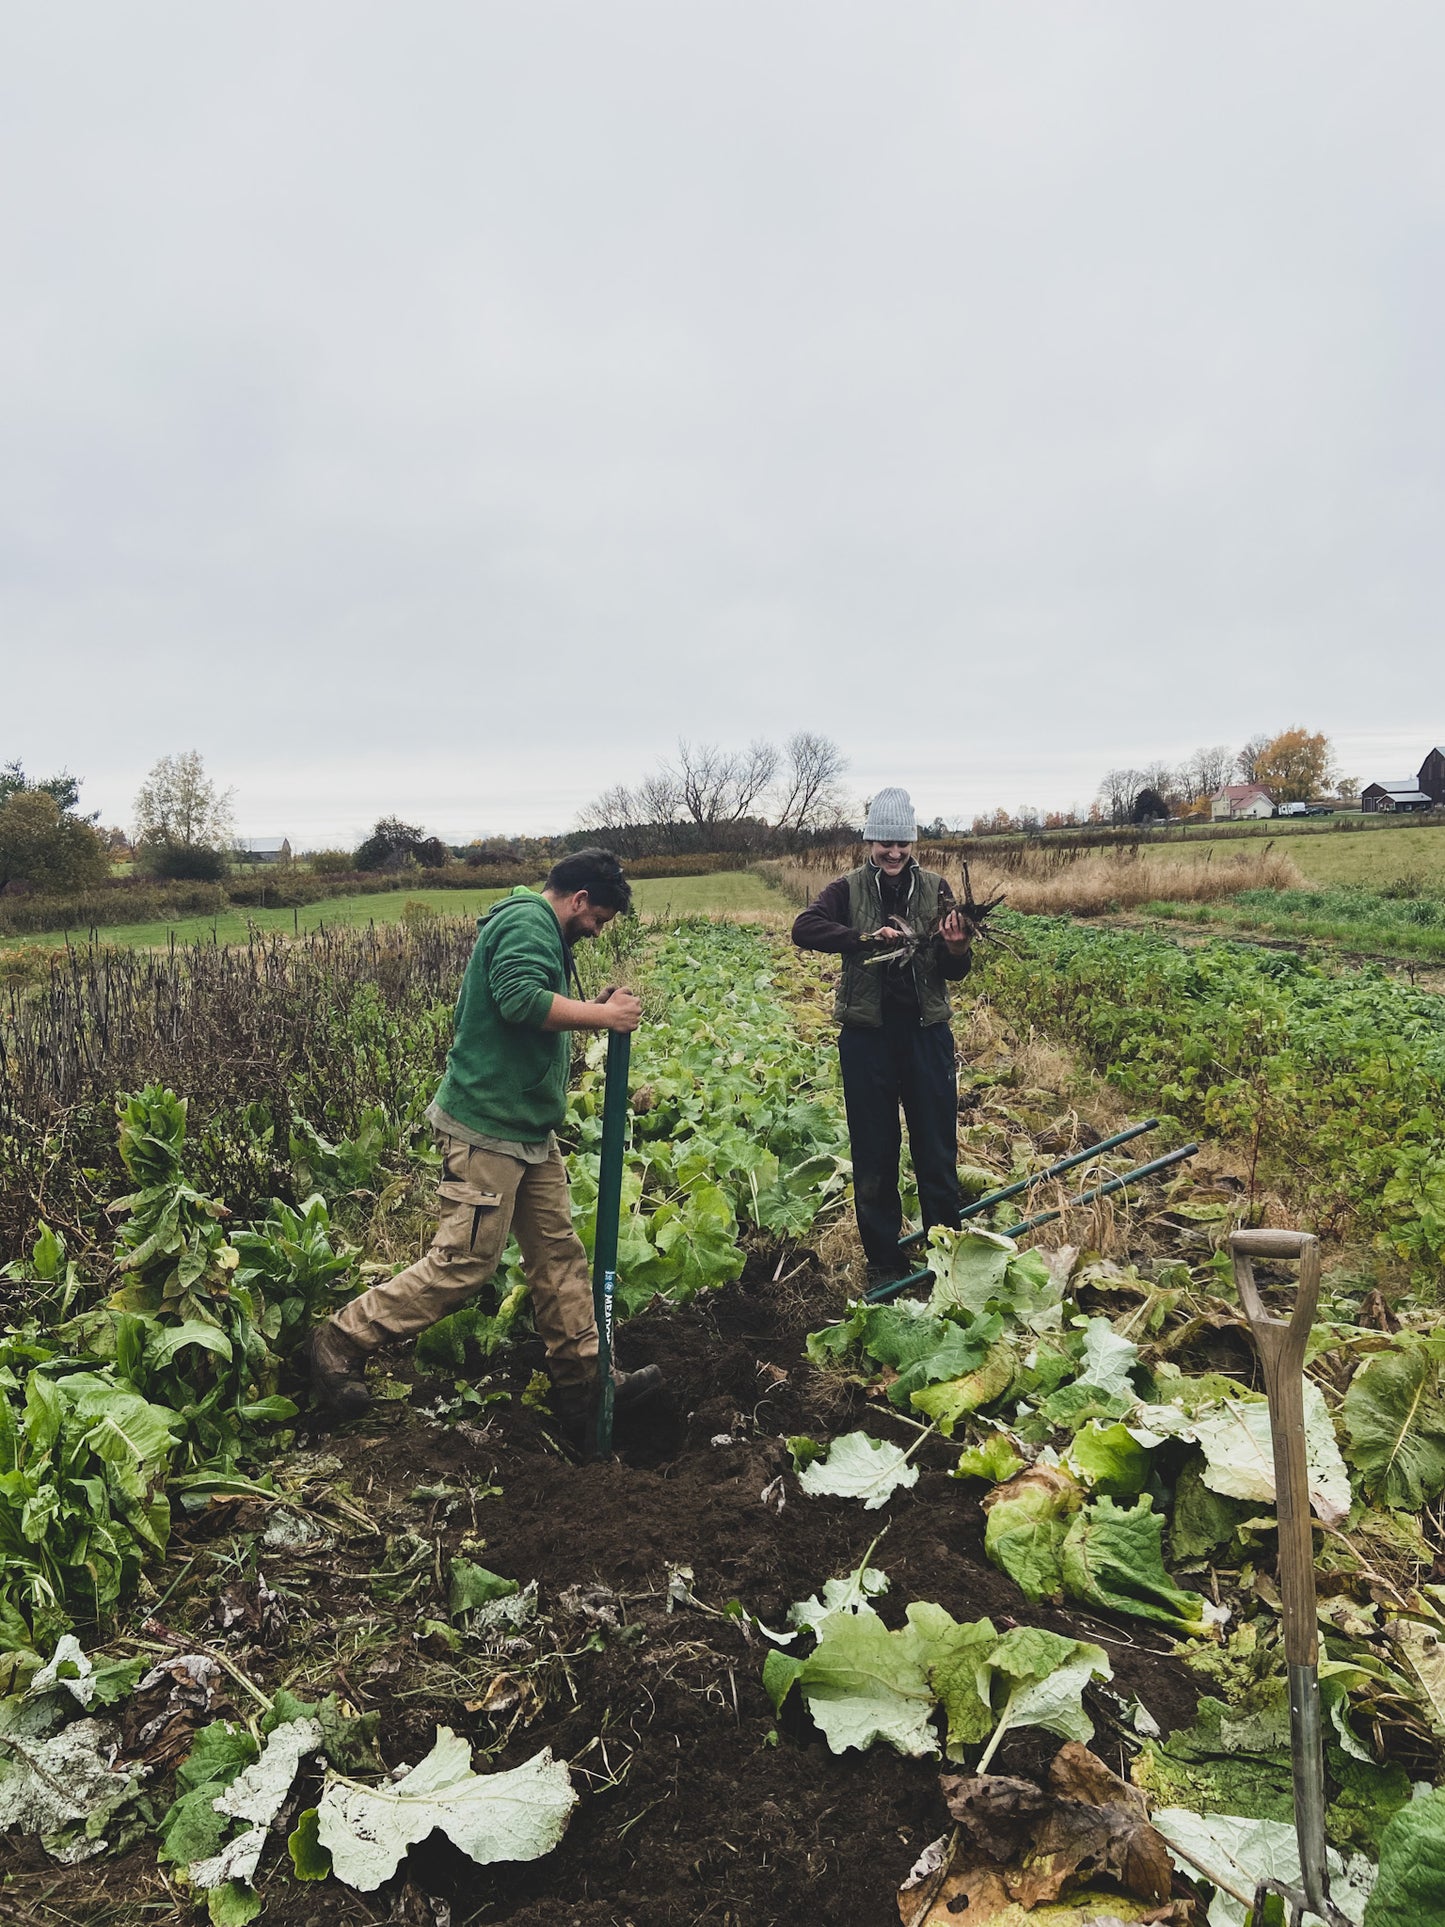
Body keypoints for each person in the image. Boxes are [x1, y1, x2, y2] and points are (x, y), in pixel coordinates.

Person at [305, 847, 664, 1437]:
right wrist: (605, 1020)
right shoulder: (526, 921)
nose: (597, 931)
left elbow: (530, 1002)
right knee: (464, 1266)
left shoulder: (544, 931)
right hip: (487, 1129)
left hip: (526, 1129)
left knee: (557, 1254)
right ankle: (339, 1340)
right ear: (577, 900)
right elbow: (519, 1001)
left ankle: (584, 1384)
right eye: (598, 918)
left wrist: (589, 1008)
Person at [791, 790, 972, 1286]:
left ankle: (946, 1256)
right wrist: (864, 940)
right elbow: (804, 928)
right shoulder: (847, 889)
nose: (893, 852)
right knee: (875, 1150)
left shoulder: (936, 889)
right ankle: (884, 1264)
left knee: (936, 1149)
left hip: (925, 1035)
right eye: (884, 842)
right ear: (870, 840)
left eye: (902, 842)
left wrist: (956, 948)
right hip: (867, 1037)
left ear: (912, 842)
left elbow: (956, 972)